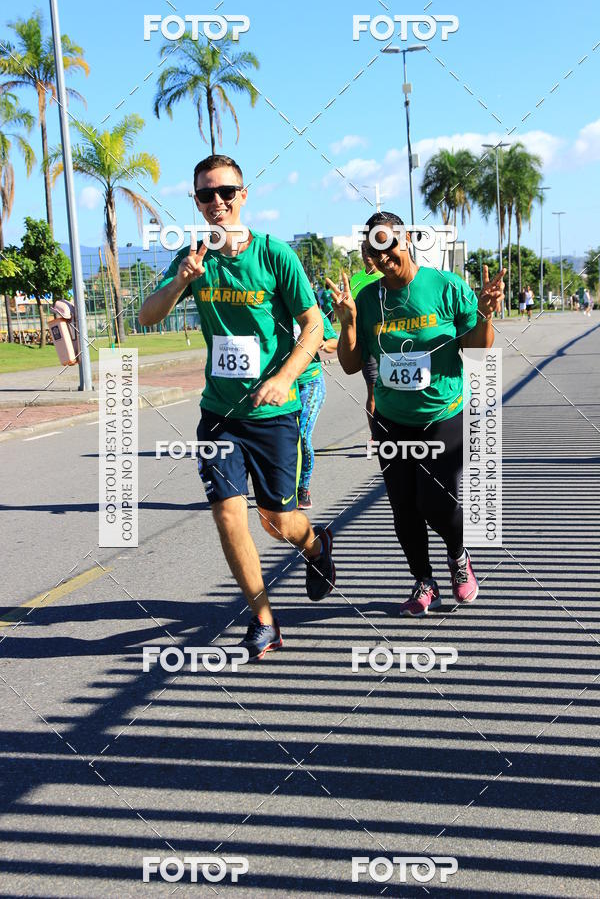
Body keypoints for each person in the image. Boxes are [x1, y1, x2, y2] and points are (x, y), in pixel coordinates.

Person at [139, 154, 335, 659]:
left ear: (243, 194)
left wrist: (286, 378)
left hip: (274, 414)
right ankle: (264, 619)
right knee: (229, 516)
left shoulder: (275, 256)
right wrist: (183, 278)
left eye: (226, 191)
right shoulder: (193, 256)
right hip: (219, 415)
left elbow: (313, 327)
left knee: (278, 521)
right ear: (197, 201)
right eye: (207, 194)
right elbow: (146, 316)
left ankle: (314, 545)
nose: (218, 202)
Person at [329, 211, 505, 617]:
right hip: (391, 420)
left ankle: (458, 558)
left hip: (442, 413)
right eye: (374, 246)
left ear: (404, 239)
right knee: (404, 506)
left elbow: (478, 350)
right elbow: (352, 364)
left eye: (388, 242)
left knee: (436, 501)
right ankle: (424, 580)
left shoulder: (445, 286)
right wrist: (349, 322)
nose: (383, 254)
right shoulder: (368, 298)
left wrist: (485, 312)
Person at [295, 310, 338, 509]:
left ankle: (303, 487)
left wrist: (322, 344)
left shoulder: (311, 311)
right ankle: (281, 483)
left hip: (310, 382)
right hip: (282, 385)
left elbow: (334, 342)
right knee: (280, 438)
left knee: (302, 434)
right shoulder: (268, 308)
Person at [350, 241, 383, 438]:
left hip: (389, 341)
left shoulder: (385, 276)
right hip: (367, 342)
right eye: (363, 252)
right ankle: (375, 436)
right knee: (372, 390)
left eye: (370, 251)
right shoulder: (356, 280)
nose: (367, 255)